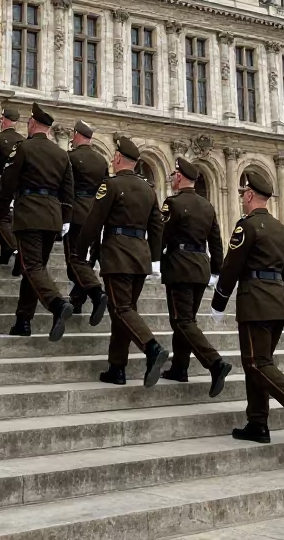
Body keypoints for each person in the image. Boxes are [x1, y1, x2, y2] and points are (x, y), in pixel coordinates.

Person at [210, 170, 284, 450]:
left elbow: (232, 266)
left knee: (257, 363)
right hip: (278, 301)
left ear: (249, 195)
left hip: (256, 301)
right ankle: (257, 422)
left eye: (243, 195)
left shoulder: (246, 226)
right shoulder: (280, 228)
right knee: (259, 362)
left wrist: (219, 301)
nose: (242, 199)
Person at [77, 134, 169, 388]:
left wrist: (81, 252)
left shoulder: (111, 185)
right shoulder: (148, 189)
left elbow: (94, 222)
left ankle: (152, 348)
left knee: (121, 309)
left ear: (117, 158)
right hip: (140, 257)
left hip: (117, 254)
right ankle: (117, 367)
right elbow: (157, 227)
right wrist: (155, 259)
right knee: (125, 311)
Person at [0, 102, 75, 341]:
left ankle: (57, 304)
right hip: (52, 216)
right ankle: (23, 321)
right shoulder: (61, 153)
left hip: (30, 213)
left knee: (31, 267)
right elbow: (68, 190)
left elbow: (8, 181)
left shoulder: (23, 147)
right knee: (34, 269)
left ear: (32, 124)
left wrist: (2, 208)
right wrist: (65, 219)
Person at [159, 156, 231, 396]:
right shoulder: (207, 205)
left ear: (179, 177)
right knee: (186, 320)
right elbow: (216, 242)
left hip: (180, 267)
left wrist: (153, 259)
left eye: (173, 176)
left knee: (182, 321)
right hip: (201, 267)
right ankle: (180, 367)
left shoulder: (173, 203)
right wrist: (217, 270)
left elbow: (162, 235)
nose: (172, 180)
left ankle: (215, 363)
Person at [65, 119, 109, 325]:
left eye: (74, 134)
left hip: (77, 213)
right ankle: (77, 299)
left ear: (78, 135)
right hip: (96, 214)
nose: (72, 138)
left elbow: (66, 187)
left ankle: (96, 293)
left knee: (74, 261)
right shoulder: (101, 161)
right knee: (86, 260)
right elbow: (105, 190)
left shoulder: (70, 157)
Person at [0, 106, 24, 266]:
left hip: (2, 184)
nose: (1, 121)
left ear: (7, 120)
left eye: (2, 119)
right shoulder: (23, 141)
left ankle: (13, 248)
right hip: (19, 186)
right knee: (10, 219)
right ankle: (5, 252)